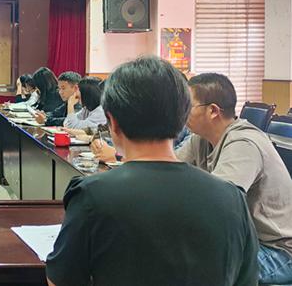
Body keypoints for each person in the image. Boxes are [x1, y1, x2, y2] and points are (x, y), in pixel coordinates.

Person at [45, 57, 258, 286]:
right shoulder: (232, 198)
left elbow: (60, 281)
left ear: (112, 122)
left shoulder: (91, 196)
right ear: (182, 117)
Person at [177, 73, 292, 284]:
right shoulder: (200, 140)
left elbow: (220, 204)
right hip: (245, 241)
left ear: (213, 111)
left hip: (277, 251)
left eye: (187, 106)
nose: (181, 113)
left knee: (190, 263)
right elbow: (169, 170)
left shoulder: (243, 143)